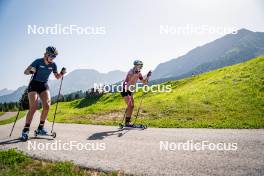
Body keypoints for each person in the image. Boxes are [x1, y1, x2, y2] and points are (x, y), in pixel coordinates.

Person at [21, 46, 66, 140]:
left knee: (47, 105)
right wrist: (31, 71)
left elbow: (57, 76)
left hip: (43, 85)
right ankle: (25, 129)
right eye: (51, 56)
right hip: (34, 85)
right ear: (46, 54)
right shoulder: (38, 61)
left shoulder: (53, 65)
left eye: (54, 56)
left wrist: (62, 73)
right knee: (33, 107)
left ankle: (40, 128)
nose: (53, 58)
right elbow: (25, 72)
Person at [121, 60, 151, 127]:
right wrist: (135, 73)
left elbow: (144, 82)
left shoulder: (139, 73)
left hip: (130, 90)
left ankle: (127, 122)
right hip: (125, 89)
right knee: (130, 105)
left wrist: (148, 76)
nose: (141, 66)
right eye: (139, 65)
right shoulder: (131, 71)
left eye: (141, 65)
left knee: (132, 106)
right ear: (136, 65)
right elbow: (130, 78)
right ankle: (127, 123)